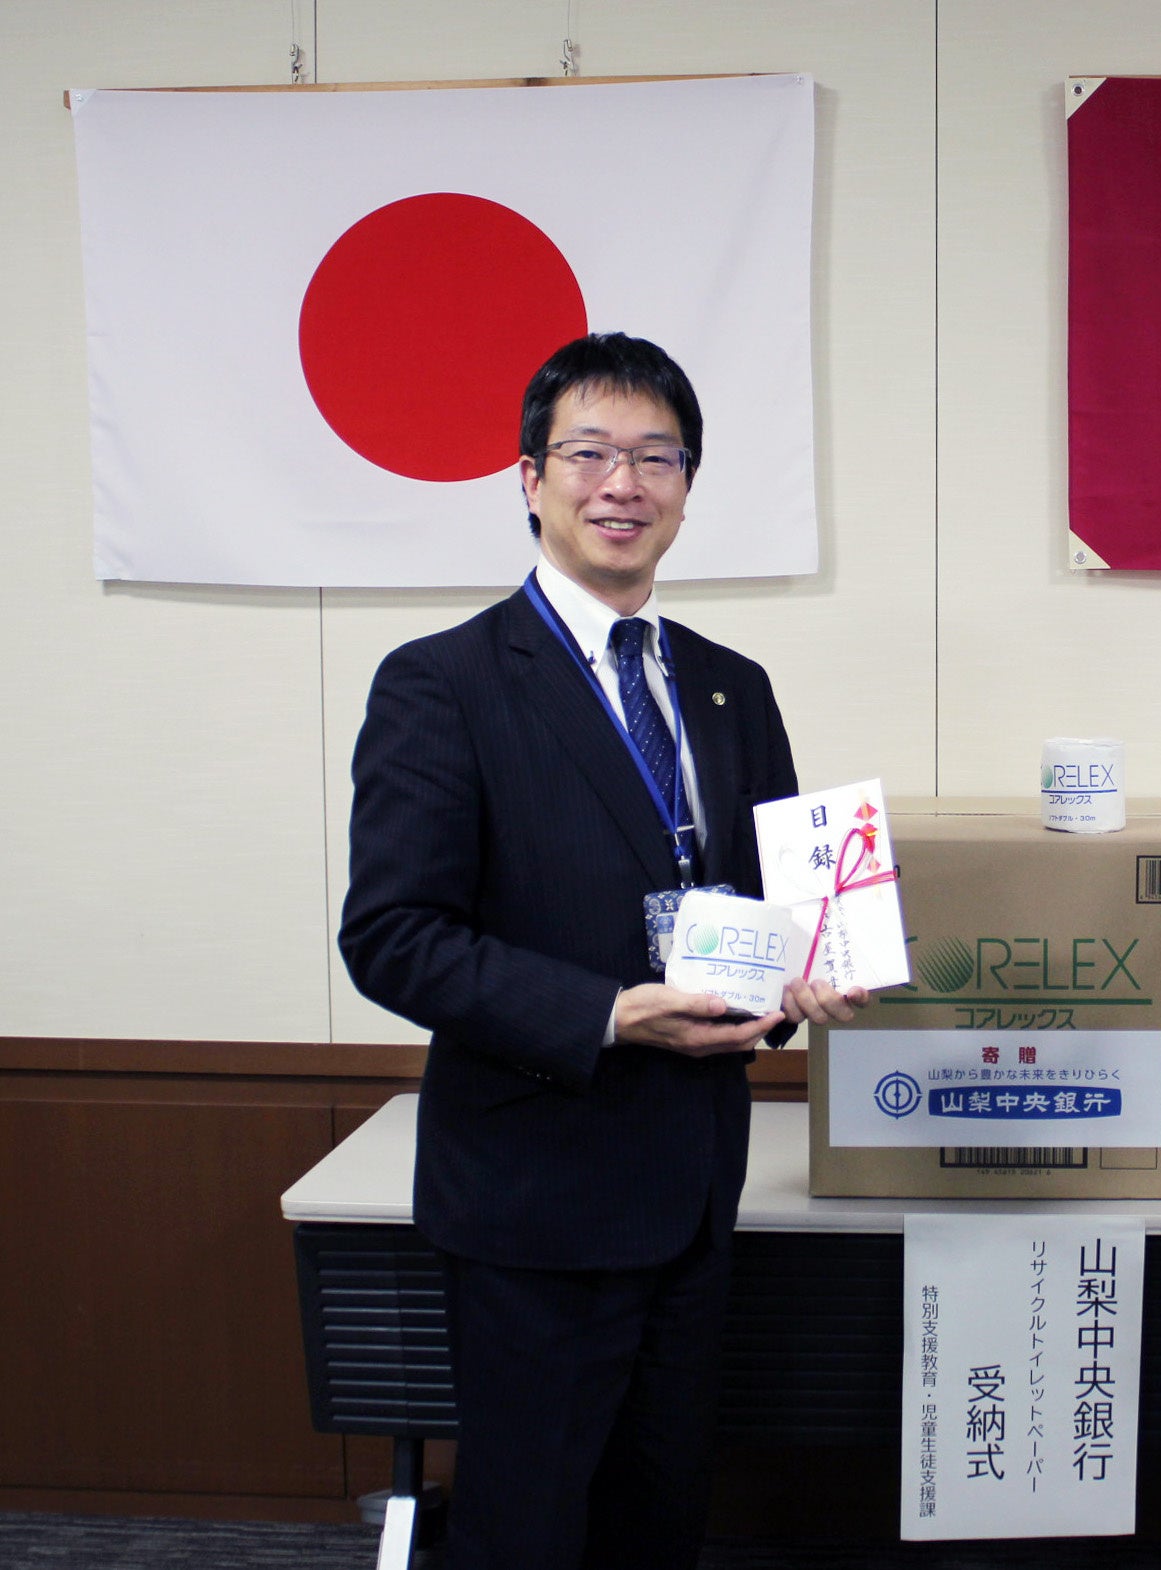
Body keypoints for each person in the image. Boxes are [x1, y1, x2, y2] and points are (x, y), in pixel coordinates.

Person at [340, 332, 865, 1570]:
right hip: (533, 1196)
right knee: (526, 1530)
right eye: (588, 454)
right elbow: (392, 937)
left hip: (692, 1185)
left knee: (657, 1521)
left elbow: (767, 906)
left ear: (686, 486)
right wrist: (606, 1011)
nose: (621, 484)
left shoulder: (731, 686)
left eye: (655, 457)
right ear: (529, 479)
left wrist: (802, 975)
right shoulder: (443, 683)